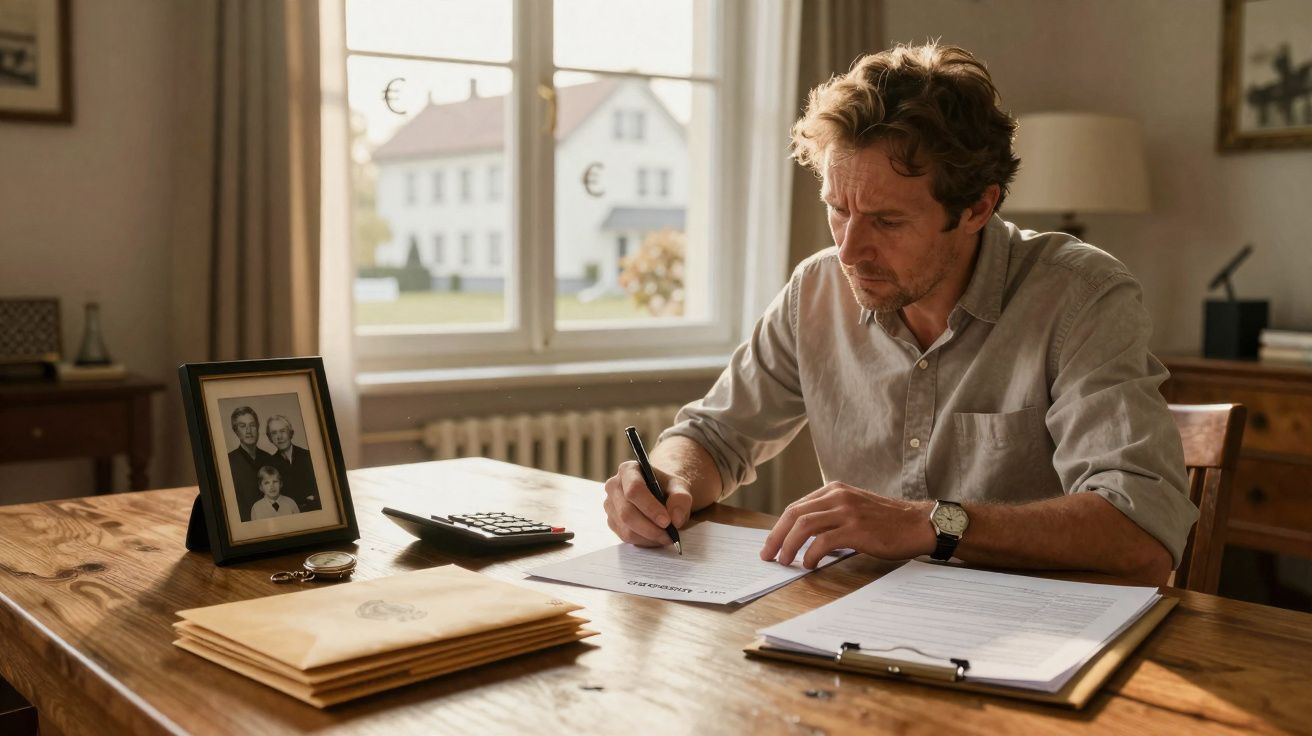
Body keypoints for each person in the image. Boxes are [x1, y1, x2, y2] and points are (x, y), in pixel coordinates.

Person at [602, 42, 1197, 585]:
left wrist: (933, 523)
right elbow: (713, 436)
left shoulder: (1082, 297)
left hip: (1040, 645)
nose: (849, 251)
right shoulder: (816, 291)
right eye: (838, 209)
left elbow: (1140, 535)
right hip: (858, 628)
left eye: (887, 222)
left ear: (978, 206)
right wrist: (667, 478)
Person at [227, 406, 275, 522]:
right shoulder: (228, 462)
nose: (248, 431)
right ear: (236, 431)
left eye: (252, 425)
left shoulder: (270, 459)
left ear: (258, 427)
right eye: (243, 426)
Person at [265, 415, 321, 512]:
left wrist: (315, 498)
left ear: (291, 433)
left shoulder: (309, 456)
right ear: (270, 438)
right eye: (274, 433)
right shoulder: (269, 465)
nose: (279, 437)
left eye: (282, 431)